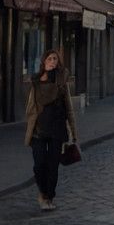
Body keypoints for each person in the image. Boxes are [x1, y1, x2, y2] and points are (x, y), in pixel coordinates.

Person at [24, 49, 78, 212]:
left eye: (55, 59)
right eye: (49, 59)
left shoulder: (62, 82)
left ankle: (48, 197)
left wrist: (74, 133)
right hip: (38, 129)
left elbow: (69, 108)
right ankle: (42, 192)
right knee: (39, 165)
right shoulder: (36, 81)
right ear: (44, 62)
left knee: (53, 166)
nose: (52, 61)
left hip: (57, 129)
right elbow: (30, 107)